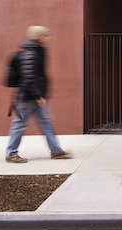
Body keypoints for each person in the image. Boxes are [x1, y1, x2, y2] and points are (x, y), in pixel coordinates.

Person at [5, 25, 72, 163]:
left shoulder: (38, 51)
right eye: (46, 35)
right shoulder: (32, 54)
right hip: (29, 97)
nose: (48, 38)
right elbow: (29, 78)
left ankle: (56, 150)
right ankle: (11, 154)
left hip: (35, 96)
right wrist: (38, 96)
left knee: (46, 122)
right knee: (20, 124)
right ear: (39, 37)